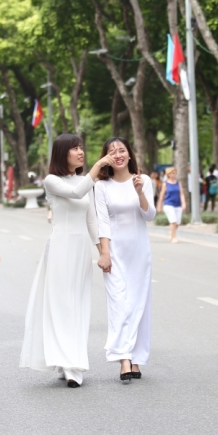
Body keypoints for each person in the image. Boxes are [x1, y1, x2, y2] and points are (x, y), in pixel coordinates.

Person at [20, 134, 115, 388]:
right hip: (60, 246)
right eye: (74, 148)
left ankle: (70, 359)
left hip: (81, 248)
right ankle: (71, 365)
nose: (80, 152)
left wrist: (102, 252)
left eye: (81, 147)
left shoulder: (86, 182)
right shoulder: (52, 181)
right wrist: (96, 169)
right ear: (63, 154)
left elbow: (92, 220)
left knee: (78, 304)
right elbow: (75, 192)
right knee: (62, 305)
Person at [94, 137, 156, 383]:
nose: (117, 154)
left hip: (139, 252)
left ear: (130, 154)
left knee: (139, 305)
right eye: (112, 152)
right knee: (120, 304)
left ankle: (136, 357)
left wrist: (140, 192)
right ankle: (124, 359)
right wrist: (104, 252)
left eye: (122, 150)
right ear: (106, 157)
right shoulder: (102, 186)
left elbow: (149, 215)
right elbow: (103, 221)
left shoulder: (144, 181)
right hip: (115, 252)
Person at [157, 167, 186, 243]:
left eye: (175, 173)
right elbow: (162, 196)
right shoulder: (165, 184)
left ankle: (171, 232)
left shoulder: (178, 183)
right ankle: (174, 237)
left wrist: (183, 203)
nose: (174, 174)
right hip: (168, 204)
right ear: (168, 174)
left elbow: (181, 194)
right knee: (173, 221)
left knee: (177, 223)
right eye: (172, 173)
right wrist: (159, 206)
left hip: (178, 204)